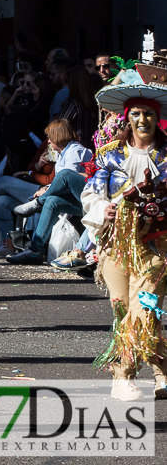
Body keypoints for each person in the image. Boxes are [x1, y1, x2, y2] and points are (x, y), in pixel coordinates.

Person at [81, 82, 167, 400]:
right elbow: (91, 192)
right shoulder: (109, 155)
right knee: (122, 311)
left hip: (157, 248)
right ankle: (163, 370)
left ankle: (123, 376)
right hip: (116, 245)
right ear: (127, 118)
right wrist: (105, 208)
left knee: (144, 309)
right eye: (136, 114)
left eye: (148, 113)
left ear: (157, 118)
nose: (142, 119)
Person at [5, 119, 93, 264]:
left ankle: (39, 202)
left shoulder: (75, 150)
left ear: (58, 136)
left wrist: (46, 191)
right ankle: (35, 251)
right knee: (52, 201)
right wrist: (48, 189)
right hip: (77, 199)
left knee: (64, 174)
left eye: (50, 138)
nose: (49, 141)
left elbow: (68, 179)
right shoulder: (63, 153)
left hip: (88, 198)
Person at [59, 65, 104, 149]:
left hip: (76, 153)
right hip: (94, 152)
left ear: (72, 83)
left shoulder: (72, 104)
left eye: (67, 81)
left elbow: (60, 129)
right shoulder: (97, 103)